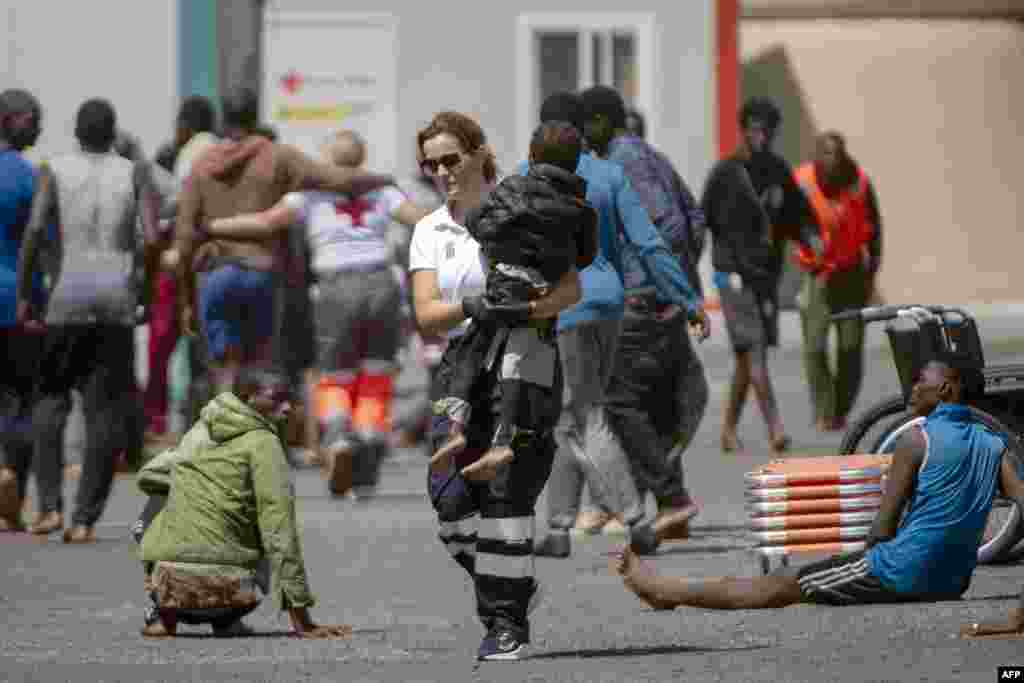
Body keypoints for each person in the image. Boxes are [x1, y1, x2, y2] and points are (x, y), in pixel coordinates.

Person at [613, 360, 1024, 611]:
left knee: (781, 584)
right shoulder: (994, 444)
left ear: (947, 389)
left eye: (921, 380)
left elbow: (881, 528)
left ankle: (668, 590)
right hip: (952, 583)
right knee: (804, 578)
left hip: (903, 572)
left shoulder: (918, 439)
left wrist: (867, 560)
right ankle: (669, 590)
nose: (912, 387)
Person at [410, 110, 581, 661]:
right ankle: (511, 585)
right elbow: (426, 314)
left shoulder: (523, 206)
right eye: (430, 163)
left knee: (507, 494)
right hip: (461, 366)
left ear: (481, 153)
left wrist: (527, 308)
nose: (441, 172)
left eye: (450, 159)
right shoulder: (428, 230)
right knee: (450, 499)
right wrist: (475, 305)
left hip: (524, 359)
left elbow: (571, 288)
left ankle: (505, 624)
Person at [524, 92, 706, 558]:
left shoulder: (532, 179)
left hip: (565, 308)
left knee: (587, 418)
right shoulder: (609, 175)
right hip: (610, 305)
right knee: (570, 418)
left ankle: (637, 519)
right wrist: (687, 298)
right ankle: (560, 528)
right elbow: (650, 243)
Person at [204, 129, 429, 497]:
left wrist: (211, 227)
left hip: (333, 290)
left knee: (335, 377)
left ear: (327, 163)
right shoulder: (383, 191)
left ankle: (339, 440)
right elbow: (422, 221)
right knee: (375, 374)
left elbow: (264, 224)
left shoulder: (308, 194)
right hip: (381, 285)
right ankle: (368, 448)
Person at [174, 87, 395, 402]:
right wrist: (383, 180)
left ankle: (223, 437)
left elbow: (184, 238)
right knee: (262, 371)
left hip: (215, 273)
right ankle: (258, 441)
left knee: (225, 370)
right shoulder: (278, 156)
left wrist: (186, 300)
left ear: (224, 119)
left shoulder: (200, 165)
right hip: (262, 273)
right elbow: (337, 179)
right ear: (256, 114)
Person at [16, 98, 163, 542]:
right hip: (116, 297)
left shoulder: (55, 169)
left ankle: (48, 508)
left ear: (77, 132)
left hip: (67, 294)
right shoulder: (132, 171)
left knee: (50, 398)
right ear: (112, 132)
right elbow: (153, 237)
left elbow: (37, 229)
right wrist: (147, 291)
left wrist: (28, 291)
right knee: (104, 409)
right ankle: (84, 519)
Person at [429, 120, 597, 482]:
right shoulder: (581, 208)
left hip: (501, 289)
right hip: (537, 295)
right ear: (576, 163)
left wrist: (499, 246)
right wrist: (551, 263)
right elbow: (585, 256)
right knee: (518, 364)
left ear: (531, 156)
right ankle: (503, 439)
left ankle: (454, 426)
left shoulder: (513, 190)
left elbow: (478, 222)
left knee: (469, 352)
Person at [579, 84, 710, 541]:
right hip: (654, 298)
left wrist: (653, 285)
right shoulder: (647, 156)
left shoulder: (624, 160)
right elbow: (694, 218)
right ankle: (667, 509)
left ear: (599, 122)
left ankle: (671, 498)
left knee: (617, 401)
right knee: (654, 402)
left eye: (584, 124)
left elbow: (671, 224)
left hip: (640, 302)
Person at [136, 369, 349, 639]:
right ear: (248, 397)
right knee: (264, 519)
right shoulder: (264, 443)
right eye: (276, 399)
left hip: (169, 594)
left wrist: (198, 485)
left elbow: (148, 475)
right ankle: (224, 619)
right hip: (231, 597)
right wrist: (302, 619)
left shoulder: (198, 432)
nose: (287, 408)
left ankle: (165, 621)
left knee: (162, 498)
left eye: (290, 400)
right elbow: (278, 530)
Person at [701, 97, 820, 453]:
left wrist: (811, 236)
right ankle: (776, 428)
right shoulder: (724, 174)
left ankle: (727, 429)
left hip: (765, 277)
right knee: (755, 350)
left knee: (746, 357)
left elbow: (799, 213)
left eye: (768, 130)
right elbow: (700, 220)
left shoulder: (779, 171)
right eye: (755, 130)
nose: (762, 137)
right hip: (732, 277)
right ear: (744, 131)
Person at [795, 131, 882, 432]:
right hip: (816, 276)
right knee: (814, 347)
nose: (834, 159)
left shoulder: (859, 182)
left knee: (850, 348)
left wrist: (871, 276)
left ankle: (839, 410)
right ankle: (824, 409)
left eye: (838, 153)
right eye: (828, 153)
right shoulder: (802, 182)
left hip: (851, 275)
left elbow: (876, 230)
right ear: (817, 156)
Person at [0, 88, 44, 531]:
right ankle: (12, 487)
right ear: (13, 120)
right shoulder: (30, 178)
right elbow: (45, 245)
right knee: (19, 399)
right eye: (35, 120)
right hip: (18, 302)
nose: (40, 128)